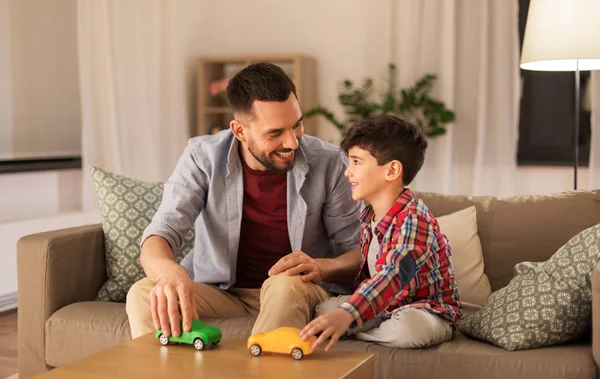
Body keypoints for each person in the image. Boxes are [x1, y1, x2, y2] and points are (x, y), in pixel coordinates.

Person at [125, 62, 362, 340]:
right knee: (141, 293)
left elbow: (360, 251)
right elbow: (161, 233)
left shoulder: (331, 162)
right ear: (239, 131)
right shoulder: (202, 157)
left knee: (284, 284)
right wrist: (168, 272)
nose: (292, 143)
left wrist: (321, 266)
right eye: (275, 133)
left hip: (297, 291)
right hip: (222, 293)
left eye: (296, 125)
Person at [300, 114, 463, 350]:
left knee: (409, 329)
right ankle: (364, 325)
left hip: (426, 311)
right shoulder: (369, 219)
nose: (347, 171)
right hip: (386, 307)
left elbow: (394, 275)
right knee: (325, 309)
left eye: (356, 162)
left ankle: (357, 331)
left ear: (391, 170)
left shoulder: (414, 219)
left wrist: (348, 314)